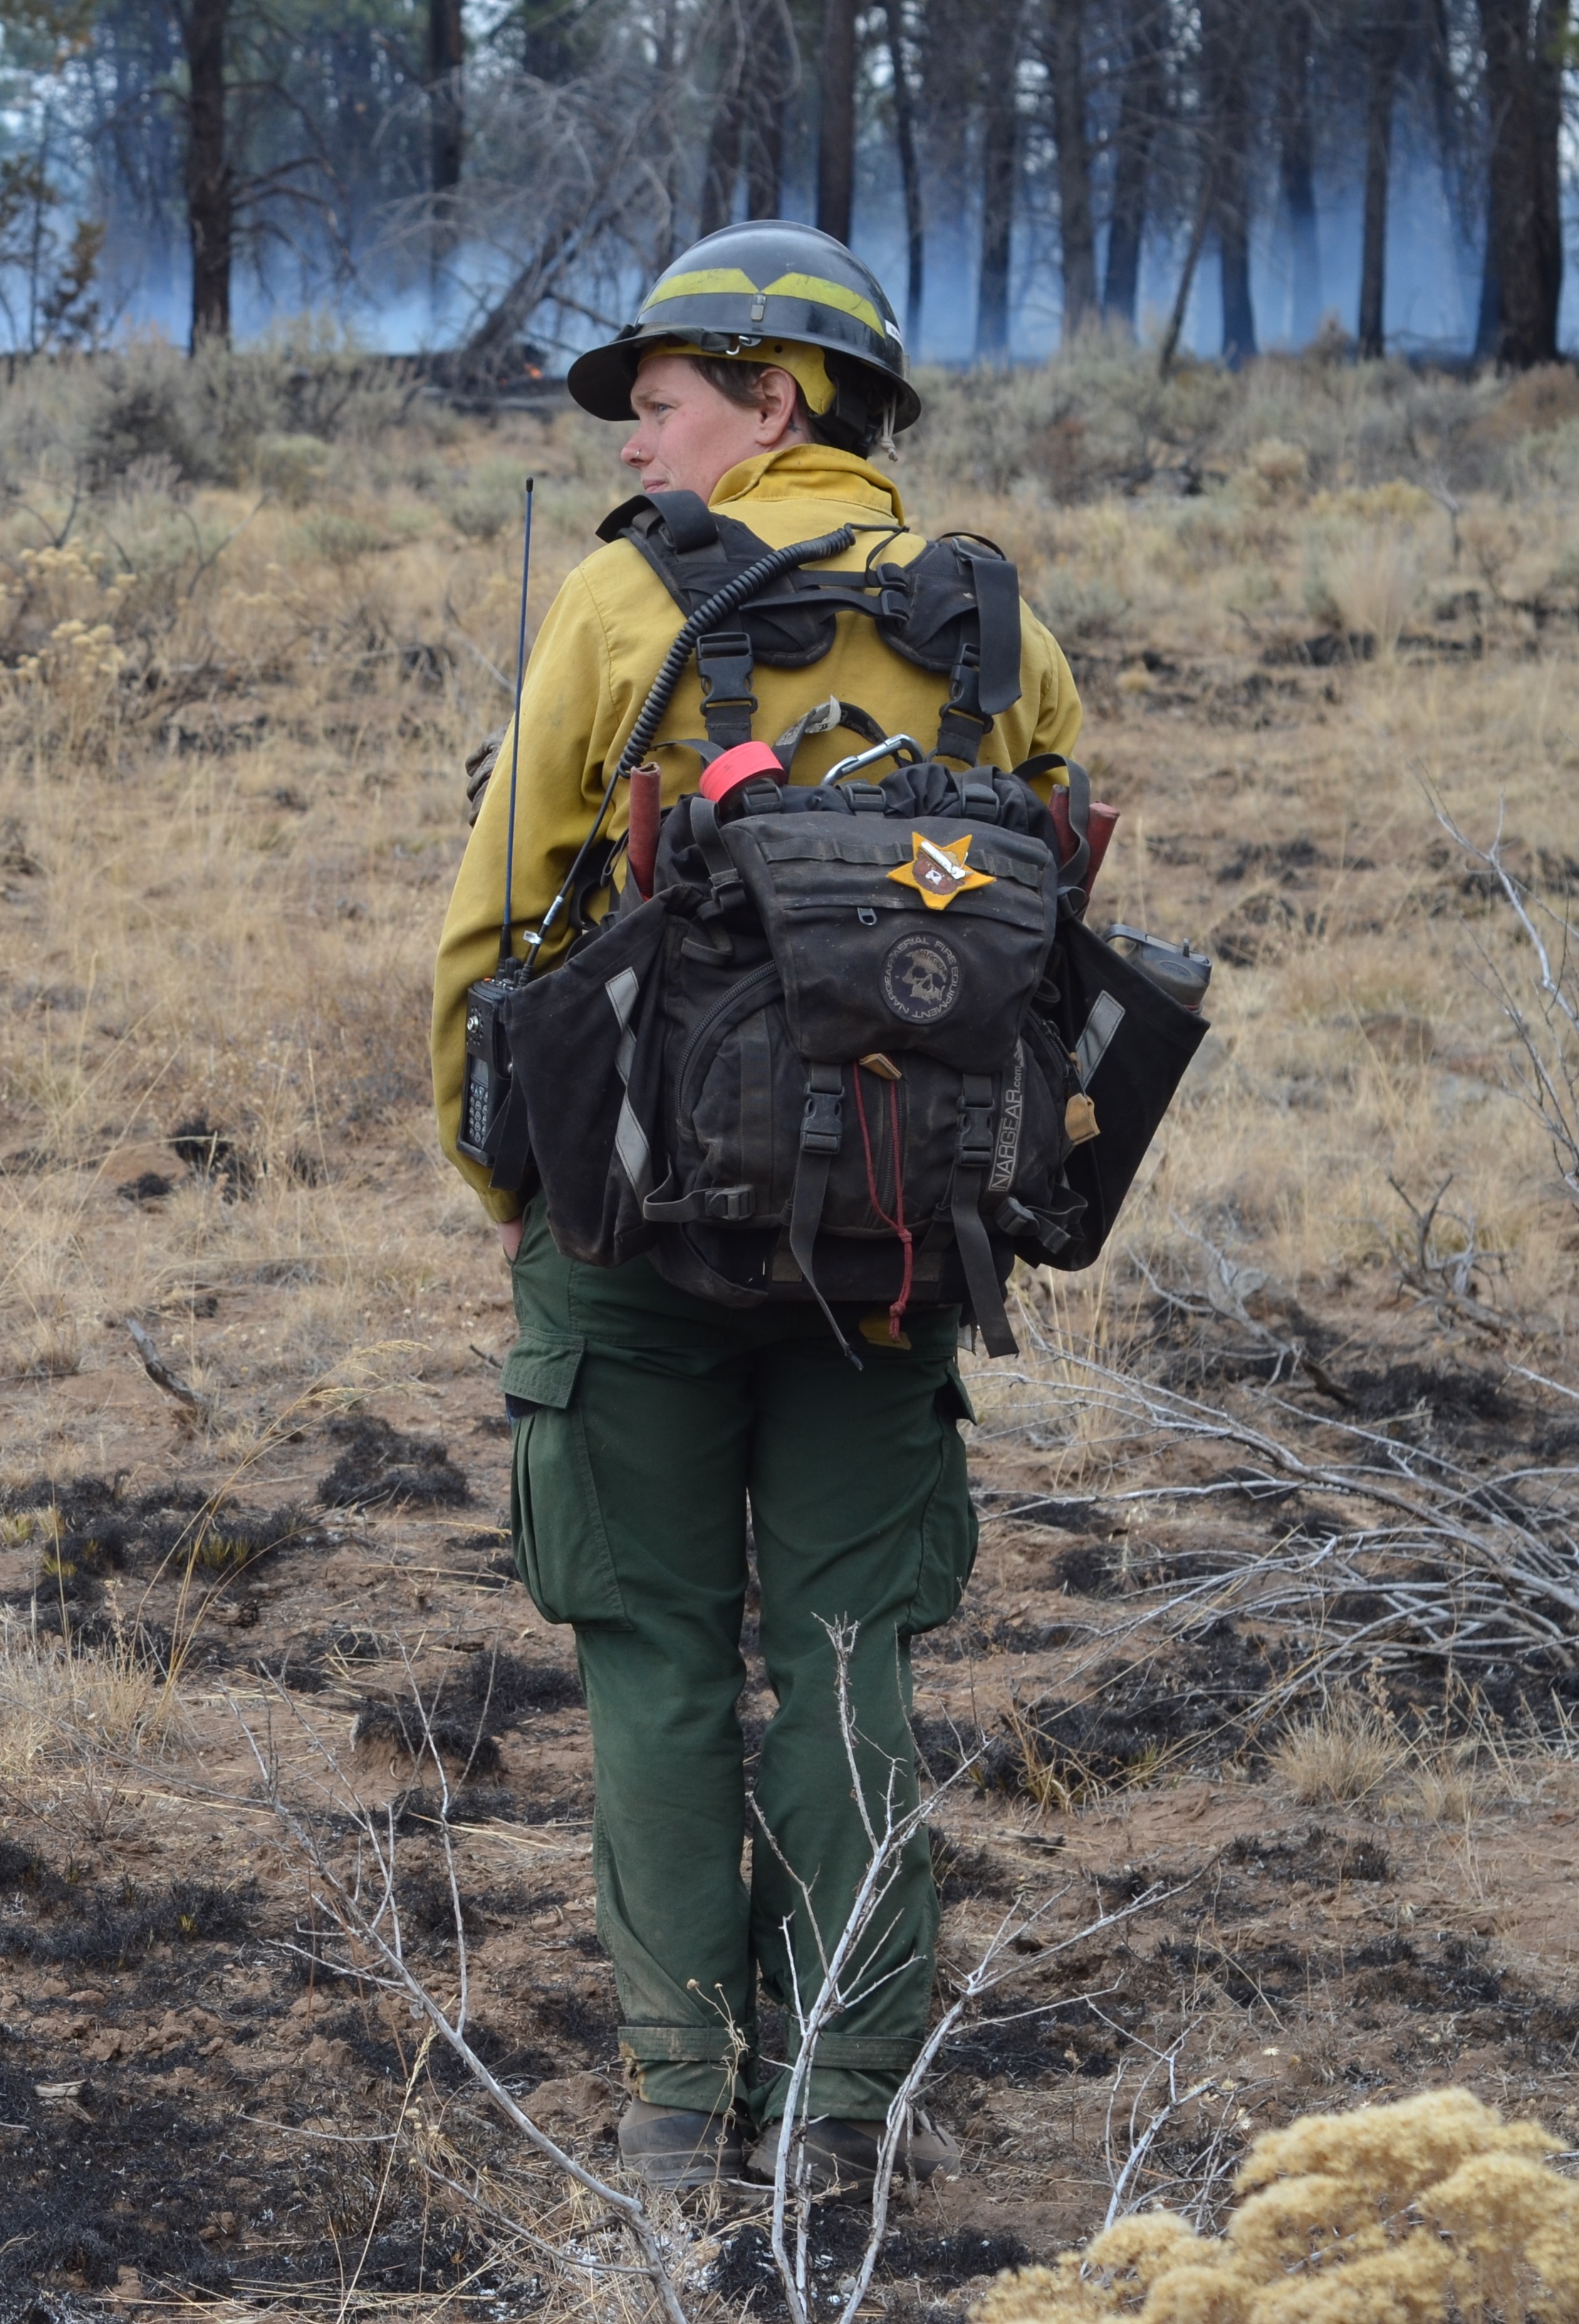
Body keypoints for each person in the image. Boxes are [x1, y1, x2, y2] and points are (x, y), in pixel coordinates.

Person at [426, 222, 1085, 2194]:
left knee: (652, 1658)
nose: (638, 444)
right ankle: (844, 2119)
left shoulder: (628, 609)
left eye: (661, 404)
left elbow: (487, 936)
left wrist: (517, 1196)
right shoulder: (1000, 632)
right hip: (898, 1239)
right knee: (852, 1653)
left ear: (771, 401)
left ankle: (674, 2119)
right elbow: (1045, 948)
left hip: (630, 1229)